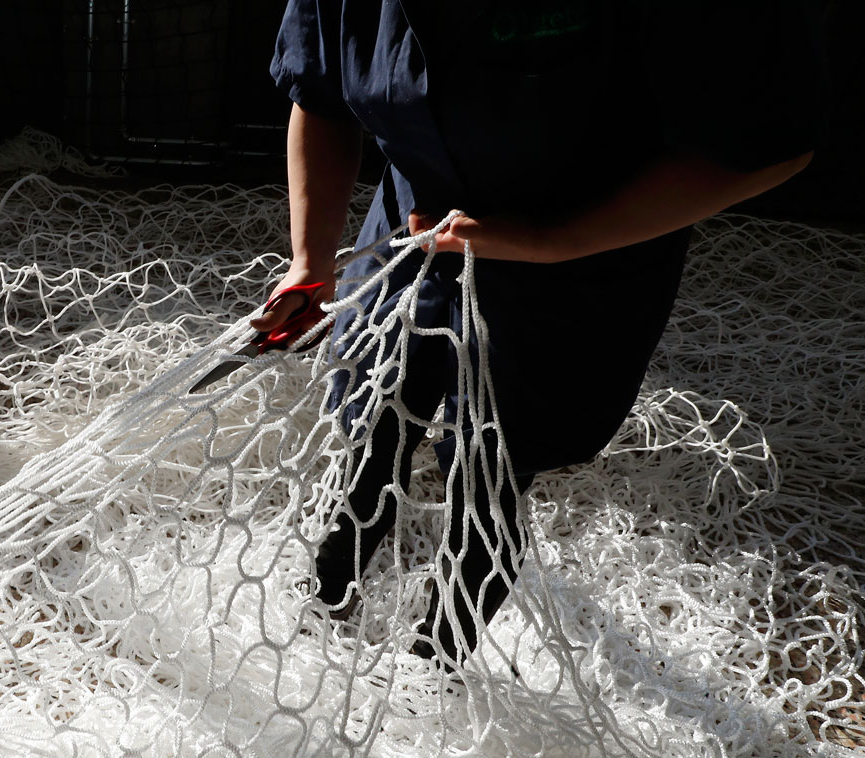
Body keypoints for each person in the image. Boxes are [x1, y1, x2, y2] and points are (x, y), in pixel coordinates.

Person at [257, 0, 823, 666]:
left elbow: (767, 150)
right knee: (372, 434)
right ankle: (323, 611)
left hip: (577, 260)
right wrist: (310, 261)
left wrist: (553, 242)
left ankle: (432, 667)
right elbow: (320, 98)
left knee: (489, 476)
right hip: (414, 232)